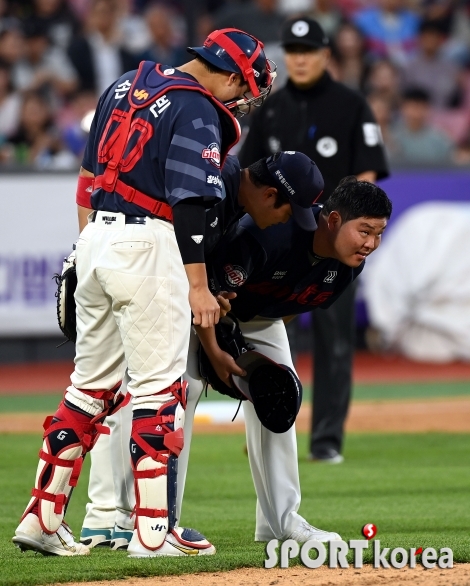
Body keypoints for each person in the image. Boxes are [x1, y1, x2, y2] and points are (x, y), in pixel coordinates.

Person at [12, 27, 275, 558]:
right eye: (243, 87)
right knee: (160, 391)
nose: (242, 100)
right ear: (227, 73)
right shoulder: (199, 110)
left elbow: (86, 180)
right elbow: (191, 204)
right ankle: (153, 533)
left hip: (96, 240)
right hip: (150, 243)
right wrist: (199, 285)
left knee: (89, 389)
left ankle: (42, 516)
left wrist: (89, 244)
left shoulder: (124, 84)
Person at [79, 150, 325, 550]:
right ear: (268, 195)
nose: (287, 221)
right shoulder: (215, 185)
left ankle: (113, 519)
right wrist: (210, 338)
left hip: (126, 259)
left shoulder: (229, 192)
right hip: (137, 267)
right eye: (288, 211)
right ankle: (137, 522)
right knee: (154, 391)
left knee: (128, 389)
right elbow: (174, 245)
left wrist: (210, 294)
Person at [180, 173, 392, 544]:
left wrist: (256, 357)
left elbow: (294, 306)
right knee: (183, 394)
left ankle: (282, 523)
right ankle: (159, 521)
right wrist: (216, 352)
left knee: (280, 398)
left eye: (379, 234)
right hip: (198, 307)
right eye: (365, 231)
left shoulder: (349, 263)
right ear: (333, 220)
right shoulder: (268, 235)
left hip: (261, 317)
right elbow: (205, 291)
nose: (371, 244)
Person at [238, 17, 389, 464]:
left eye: (309, 51)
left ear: (326, 55)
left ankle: (326, 439)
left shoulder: (351, 105)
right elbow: (249, 178)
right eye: (293, 51)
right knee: (271, 337)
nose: (300, 59)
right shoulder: (270, 107)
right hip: (282, 245)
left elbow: (368, 177)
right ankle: (269, 423)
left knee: (335, 341)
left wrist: (349, 234)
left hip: (333, 247)